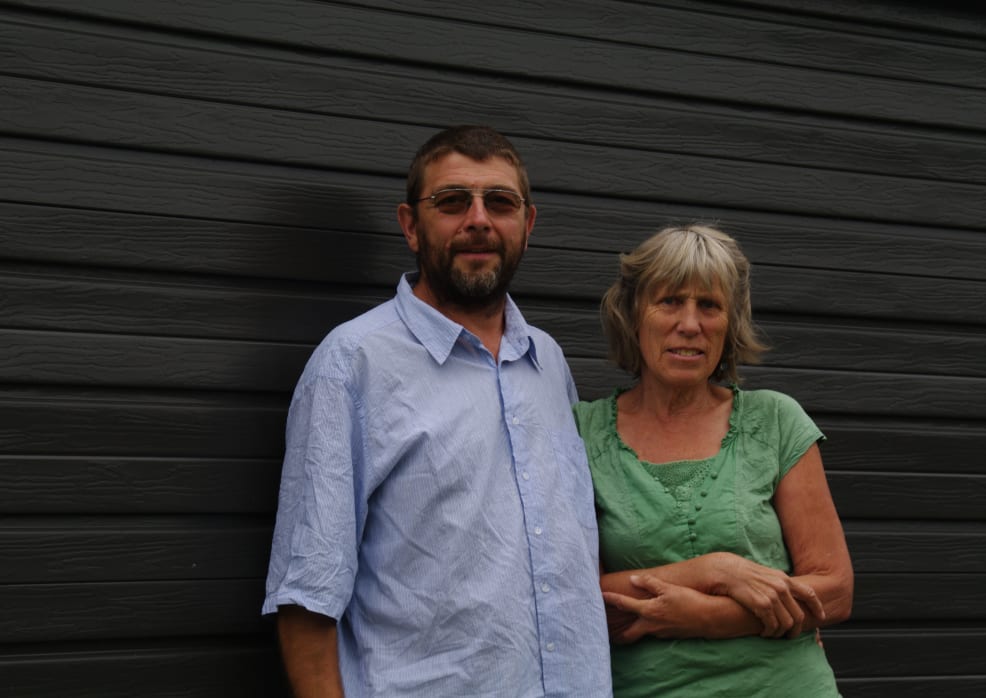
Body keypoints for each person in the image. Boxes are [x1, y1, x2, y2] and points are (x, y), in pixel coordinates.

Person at [262, 125, 612, 697]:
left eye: (499, 202)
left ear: (527, 224)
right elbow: (308, 597)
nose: (478, 219)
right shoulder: (353, 364)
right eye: (452, 202)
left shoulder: (546, 361)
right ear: (410, 226)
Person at [573, 224, 854, 697]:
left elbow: (835, 589)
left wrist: (707, 616)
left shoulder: (775, 421)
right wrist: (714, 570)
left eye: (709, 305)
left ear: (729, 323)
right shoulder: (582, 433)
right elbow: (572, 598)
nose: (690, 324)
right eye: (669, 301)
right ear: (632, 315)